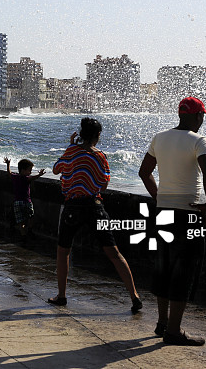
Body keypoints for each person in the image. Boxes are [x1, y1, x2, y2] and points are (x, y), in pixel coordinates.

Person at [138, 96, 206, 346]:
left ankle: (162, 323)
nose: (202, 120)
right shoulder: (199, 141)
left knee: (164, 268)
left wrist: (159, 196)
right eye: (201, 115)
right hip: (187, 215)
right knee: (184, 272)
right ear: (196, 116)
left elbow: (144, 172)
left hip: (163, 213)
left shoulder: (160, 137)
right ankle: (173, 331)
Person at [50, 117, 142, 313]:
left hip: (73, 206)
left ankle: (62, 295)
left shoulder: (71, 151)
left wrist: (71, 147)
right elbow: (104, 184)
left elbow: (56, 169)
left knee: (63, 251)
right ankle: (134, 296)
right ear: (97, 136)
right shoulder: (101, 156)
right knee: (114, 253)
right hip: (95, 206)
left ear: (81, 134)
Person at [3, 157, 46, 240]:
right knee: (31, 217)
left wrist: (8, 164)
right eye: (29, 170)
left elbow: (9, 173)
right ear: (23, 170)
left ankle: (23, 237)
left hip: (17, 203)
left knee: (20, 222)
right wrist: (39, 174)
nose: (30, 172)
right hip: (26, 202)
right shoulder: (26, 178)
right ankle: (29, 230)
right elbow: (33, 178)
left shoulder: (15, 177)